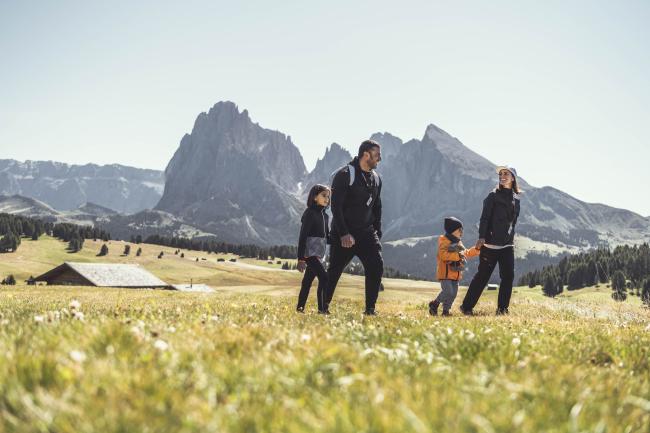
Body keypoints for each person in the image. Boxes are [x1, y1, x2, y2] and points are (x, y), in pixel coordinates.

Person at [326, 140, 383, 315]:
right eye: (377, 155)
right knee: (334, 270)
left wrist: (377, 230)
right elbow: (335, 206)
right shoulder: (345, 174)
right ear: (366, 155)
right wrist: (344, 233)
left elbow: (377, 206)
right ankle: (323, 306)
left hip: (366, 233)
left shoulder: (376, 179)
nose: (379, 159)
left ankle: (370, 309)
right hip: (344, 234)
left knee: (376, 265)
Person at [460, 166, 521, 315]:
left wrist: (510, 238)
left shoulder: (516, 200)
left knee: (508, 277)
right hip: (490, 245)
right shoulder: (492, 196)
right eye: (501, 174)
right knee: (482, 276)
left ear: (513, 178)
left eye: (506, 173)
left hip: (507, 246)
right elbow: (484, 218)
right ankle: (466, 307)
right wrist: (482, 236)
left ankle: (502, 309)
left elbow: (513, 223)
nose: (502, 176)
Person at [429, 217, 480, 316]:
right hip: (445, 274)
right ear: (452, 231)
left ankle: (445, 311)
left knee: (453, 294)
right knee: (448, 292)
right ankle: (435, 304)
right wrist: (457, 256)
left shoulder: (458, 242)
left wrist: (477, 249)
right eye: (459, 230)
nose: (462, 232)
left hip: (456, 274)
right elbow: (442, 255)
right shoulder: (444, 241)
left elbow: (466, 253)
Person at [296, 184, 331, 313]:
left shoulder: (326, 216)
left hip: (320, 255)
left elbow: (327, 237)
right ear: (315, 197)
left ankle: (300, 309)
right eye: (323, 195)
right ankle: (322, 310)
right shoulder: (310, 213)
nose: (327, 198)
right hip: (309, 254)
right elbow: (303, 236)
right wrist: (300, 258)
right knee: (324, 278)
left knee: (307, 282)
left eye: (328, 196)